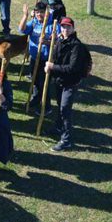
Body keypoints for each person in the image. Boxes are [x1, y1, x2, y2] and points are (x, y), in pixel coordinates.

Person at [45, 17, 90, 151]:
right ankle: (58, 127)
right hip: (59, 81)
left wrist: (53, 67)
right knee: (60, 106)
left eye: (68, 27)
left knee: (65, 108)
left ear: (73, 29)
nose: (65, 29)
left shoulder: (76, 46)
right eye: (63, 27)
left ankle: (66, 140)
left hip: (70, 82)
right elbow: (54, 57)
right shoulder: (60, 40)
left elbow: (72, 68)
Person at [19, 2, 54, 114]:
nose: (40, 14)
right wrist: (25, 16)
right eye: (38, 12)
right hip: (35, 57)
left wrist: (47, 42)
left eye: (42, 12)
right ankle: (36, 99)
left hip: (46, 59)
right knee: (34, 81)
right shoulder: (34, 23)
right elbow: (22, 29)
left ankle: (46, 106)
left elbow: (58, 42)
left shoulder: (52, 24)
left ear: (46, 13)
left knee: (44, 83)